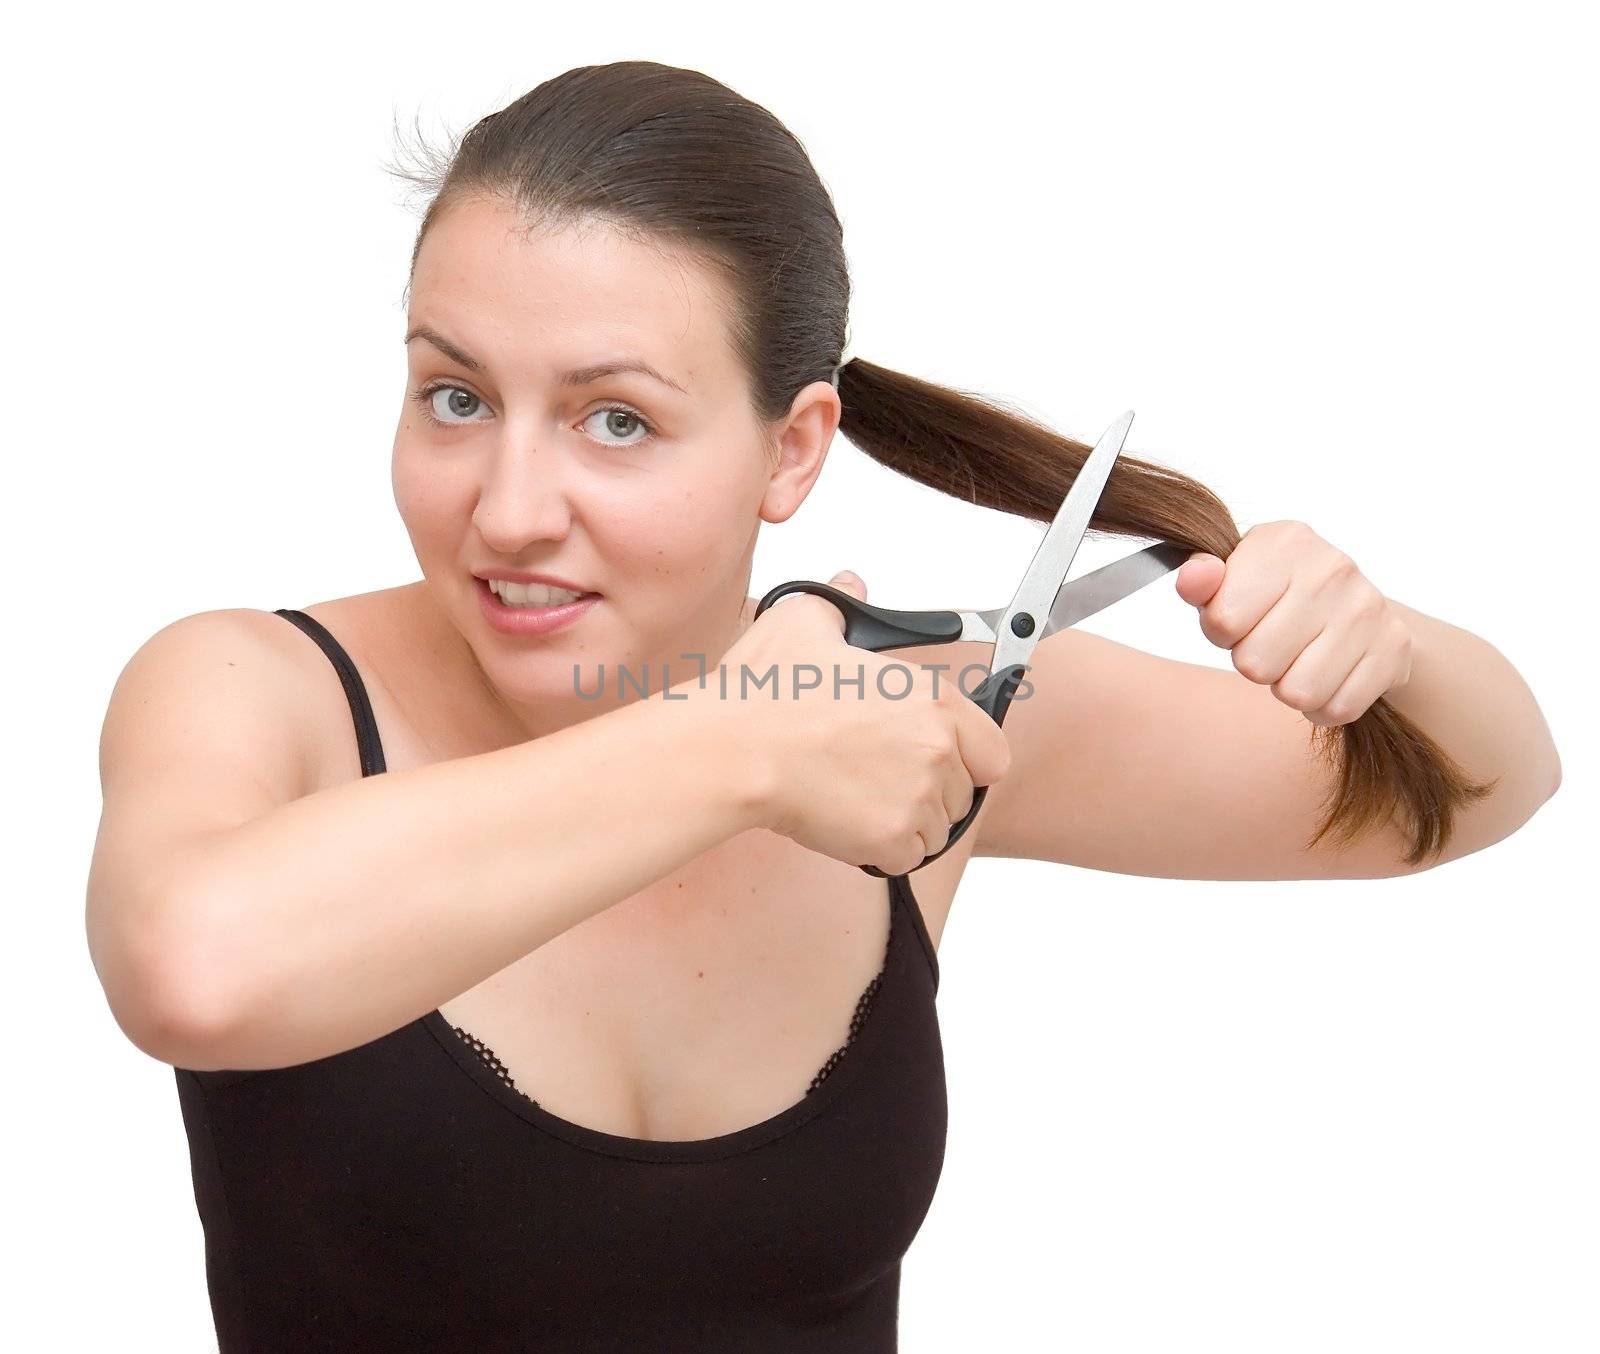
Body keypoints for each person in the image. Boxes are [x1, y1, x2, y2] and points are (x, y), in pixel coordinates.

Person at [85, 61, 1560, 1352]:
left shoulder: (910, 717)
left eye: (617, 420)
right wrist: (732, 747)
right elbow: (192, 969)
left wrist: (1388, 647)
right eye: (455, 397)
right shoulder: (252, 689)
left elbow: (1491, 784)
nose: (509, 508)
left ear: (792, 454)